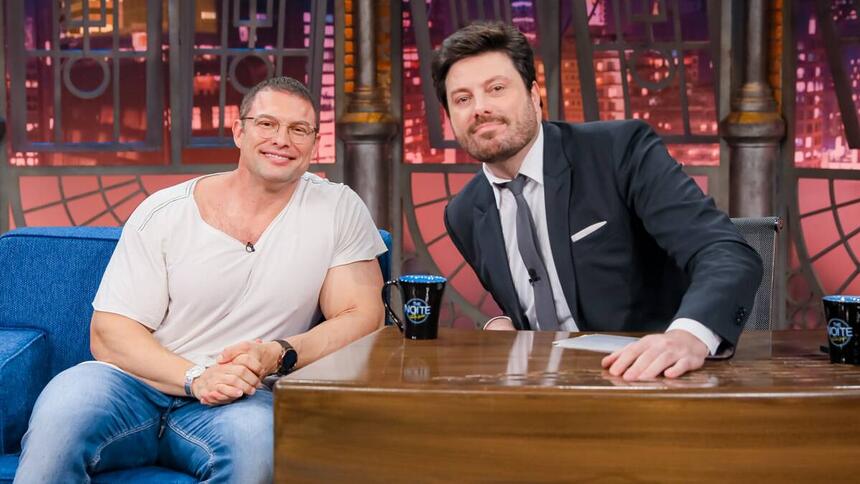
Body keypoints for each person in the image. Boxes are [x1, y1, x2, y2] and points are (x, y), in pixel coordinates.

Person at [14, 77, 387, 483]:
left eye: (299, 129)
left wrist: (278, 354)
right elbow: (109, 333)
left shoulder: (336, 208)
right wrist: (195, 377)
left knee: (254, 445)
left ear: (315, 142)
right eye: (267, 124)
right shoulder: (165, 211)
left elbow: (362, 316)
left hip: (241, 397)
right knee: (63, 410)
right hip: (133, 385)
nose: (283, 139)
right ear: (238, 131)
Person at [435, 22, 763, 381]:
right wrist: (506, 323)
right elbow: (541, 302)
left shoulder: (619, 151)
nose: (480, 108)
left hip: (650, 383)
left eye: (496, 89)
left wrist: (686, 337)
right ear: (451, 118)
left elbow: (726, 252)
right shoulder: (464, 214)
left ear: (533, 95)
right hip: (540, 392)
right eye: (463, 99)